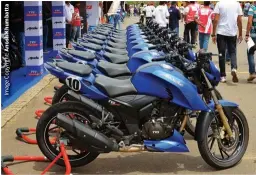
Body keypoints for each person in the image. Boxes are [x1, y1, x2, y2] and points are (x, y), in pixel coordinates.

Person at [212, 1, 243, 83]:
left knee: (221, 54)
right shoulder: (237, 4)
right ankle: (233, 68)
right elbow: (239, 20)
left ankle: (223, 76)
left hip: (221, 32)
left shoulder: (219, 3)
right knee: (232, 52)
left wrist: (213, 34)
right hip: (232, 33)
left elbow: (215, 20)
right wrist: (240, 34)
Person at [10, 2, 25, 66]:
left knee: (20, 45)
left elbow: (21, 19)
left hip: (19, 30)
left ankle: (23, 62)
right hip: (12, 29)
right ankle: (17, 61)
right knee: (14, 46)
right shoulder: (11, 7)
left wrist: (12, 20)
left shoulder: (21, 7)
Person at [245, 2, 256, 82]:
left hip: (253, 35)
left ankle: (252, 73)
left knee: (250, 52)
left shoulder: (252, 8)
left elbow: (249, 22)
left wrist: (247, 34)